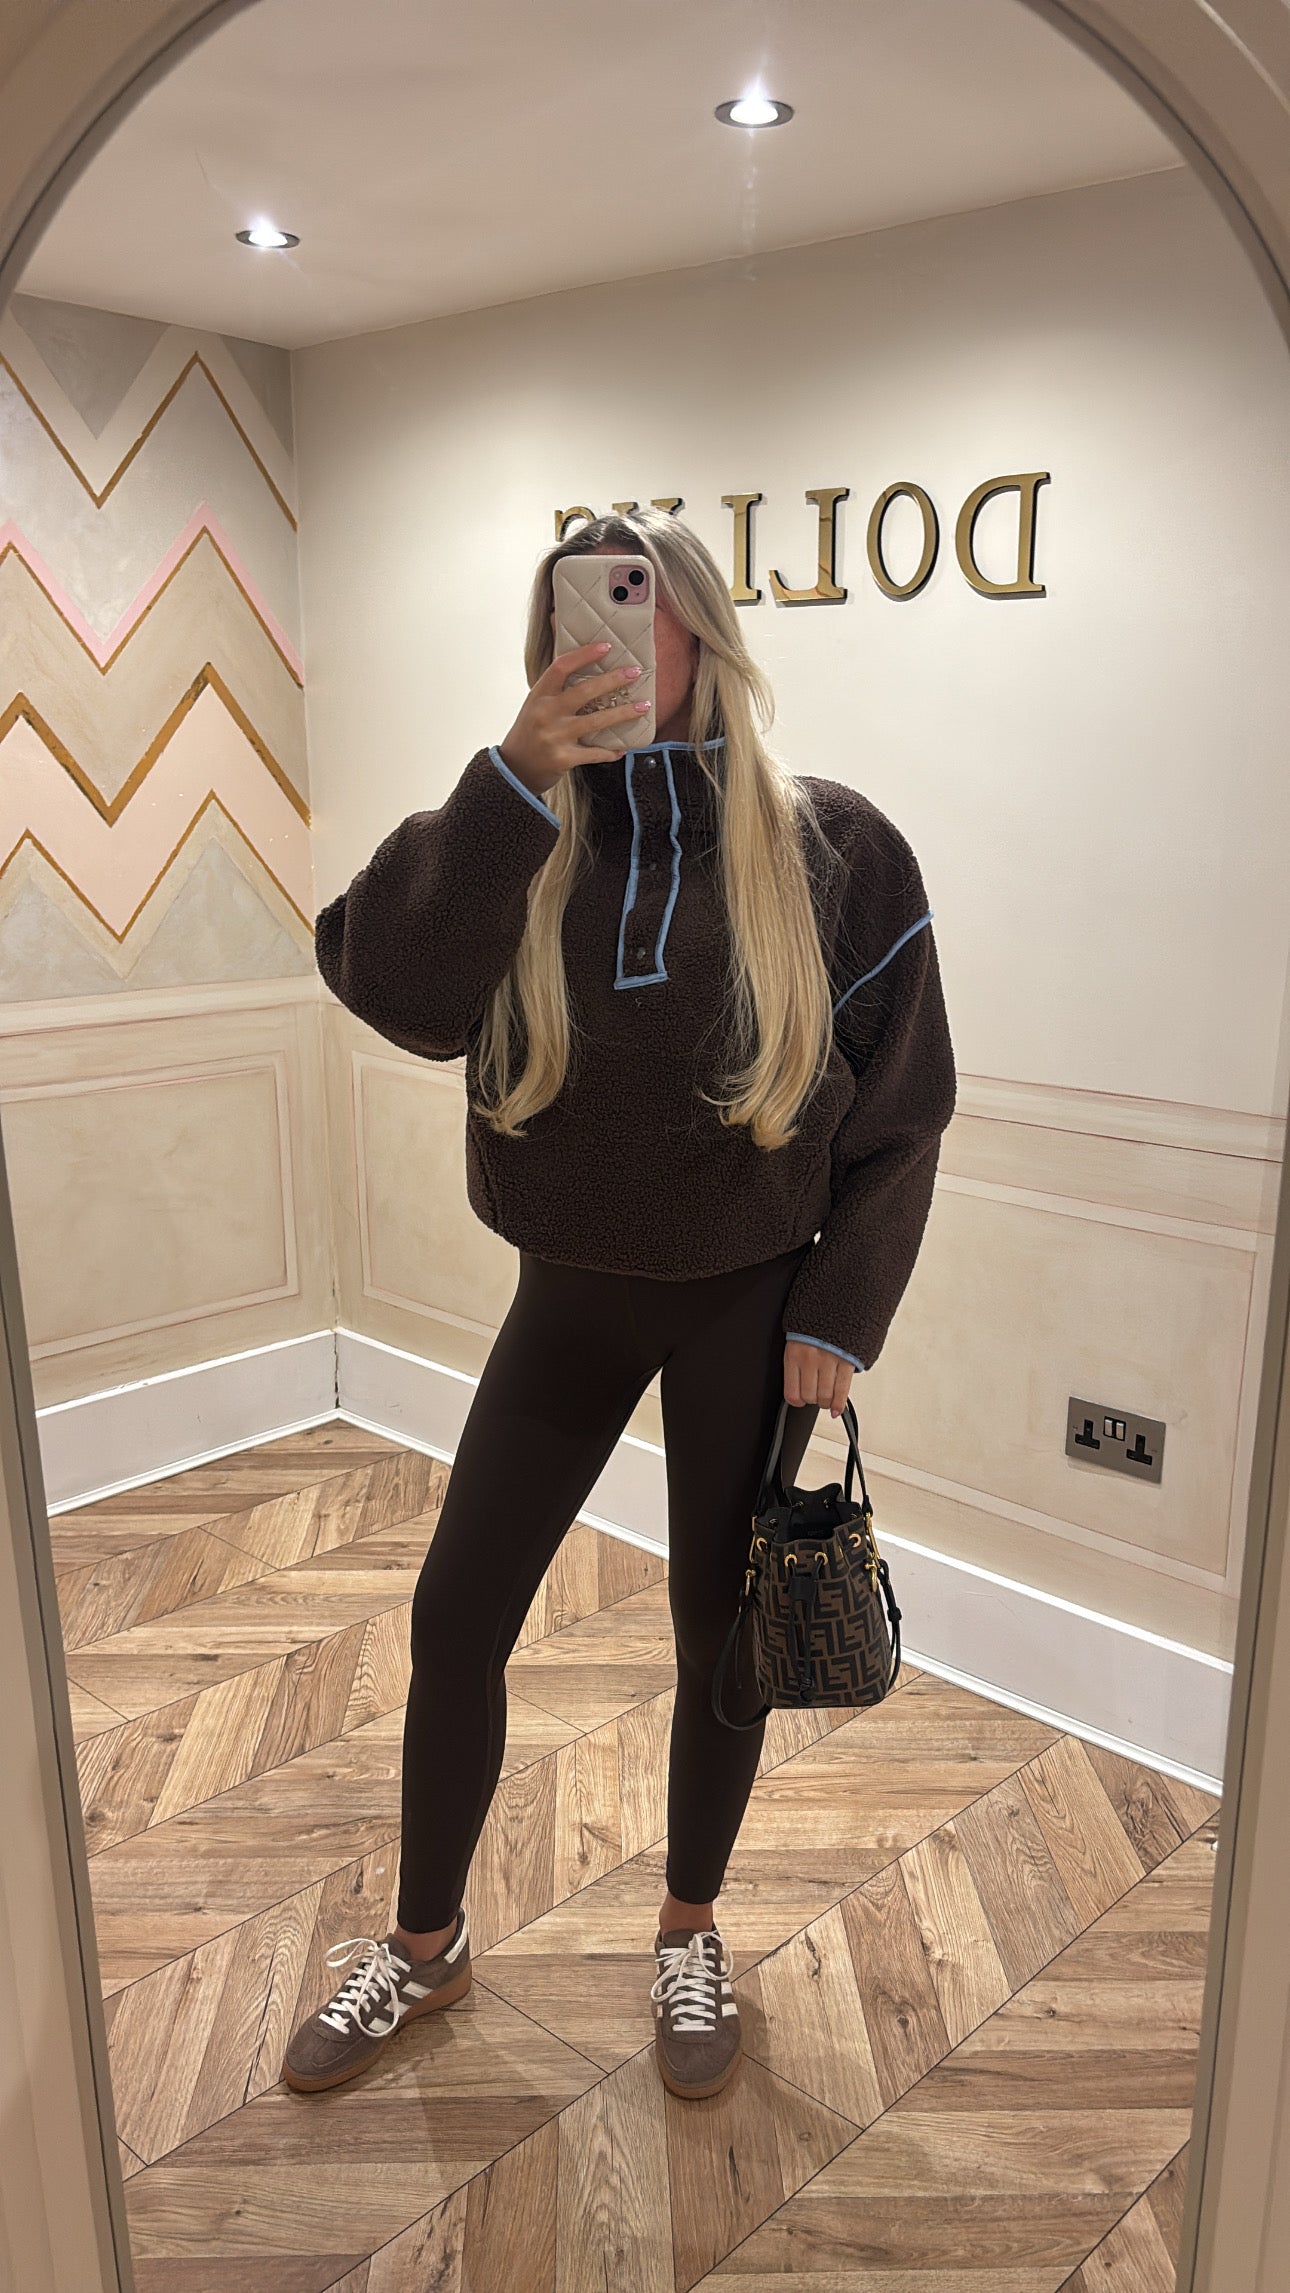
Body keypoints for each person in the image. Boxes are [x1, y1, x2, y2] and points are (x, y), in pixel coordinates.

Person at [282, 508, 956, 2102]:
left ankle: (688, 1928)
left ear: (700, 630)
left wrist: (839, 1312)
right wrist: (511, 778)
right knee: (455, 1618)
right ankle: (427, 1944)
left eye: (633, 608)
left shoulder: (835, 848)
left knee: (719, 1638)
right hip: (565, 1304)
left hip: (749, 1312)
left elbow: (905, 1105)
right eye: (566, 619)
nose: (596, 640)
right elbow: (386, 984)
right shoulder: (519, 835)